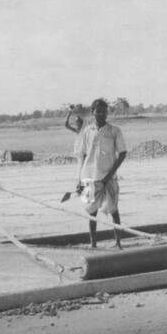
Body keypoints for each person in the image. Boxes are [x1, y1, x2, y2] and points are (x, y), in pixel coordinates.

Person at [74, 98, 128, 249]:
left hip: (108, 177)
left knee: (113, 209)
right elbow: (82, 155)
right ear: (93, 112)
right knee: (92, 211)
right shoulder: (87, 131)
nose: (101, 114)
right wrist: (79, 180)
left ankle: (118, 243)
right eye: (98, 111)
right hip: (89, 177)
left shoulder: (114, 131)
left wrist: (109, 176)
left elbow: (122, 153)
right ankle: (93, 244)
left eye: (104, 112)